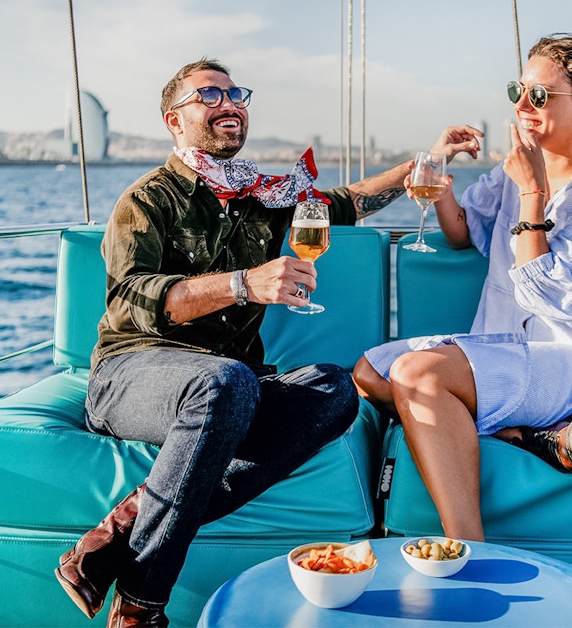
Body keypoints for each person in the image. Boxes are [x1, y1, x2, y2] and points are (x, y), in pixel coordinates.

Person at [53, 57, 482, 626]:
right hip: (132, 372)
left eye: (236, 95)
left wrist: (426, 160)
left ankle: (124, 524)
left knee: (335, 388)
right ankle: (140, 603)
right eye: (208, 95)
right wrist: (241, 284)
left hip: (229, 388)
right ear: (173, 120)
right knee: (226, 381)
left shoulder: (266, 197)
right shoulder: (148, 199)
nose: (229, 104)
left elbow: (349, 202)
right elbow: (135, 295)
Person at [353, 33, 572, 543]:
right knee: (370, 373)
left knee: (418, 376)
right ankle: (528, 436)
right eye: (519, 91)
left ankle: (468, 547)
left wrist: (532, 191)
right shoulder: (518, 168)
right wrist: (439, 172)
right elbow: (464, 232)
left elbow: (549, 294)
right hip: (513, 349)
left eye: (541, 95)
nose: (524, 106)